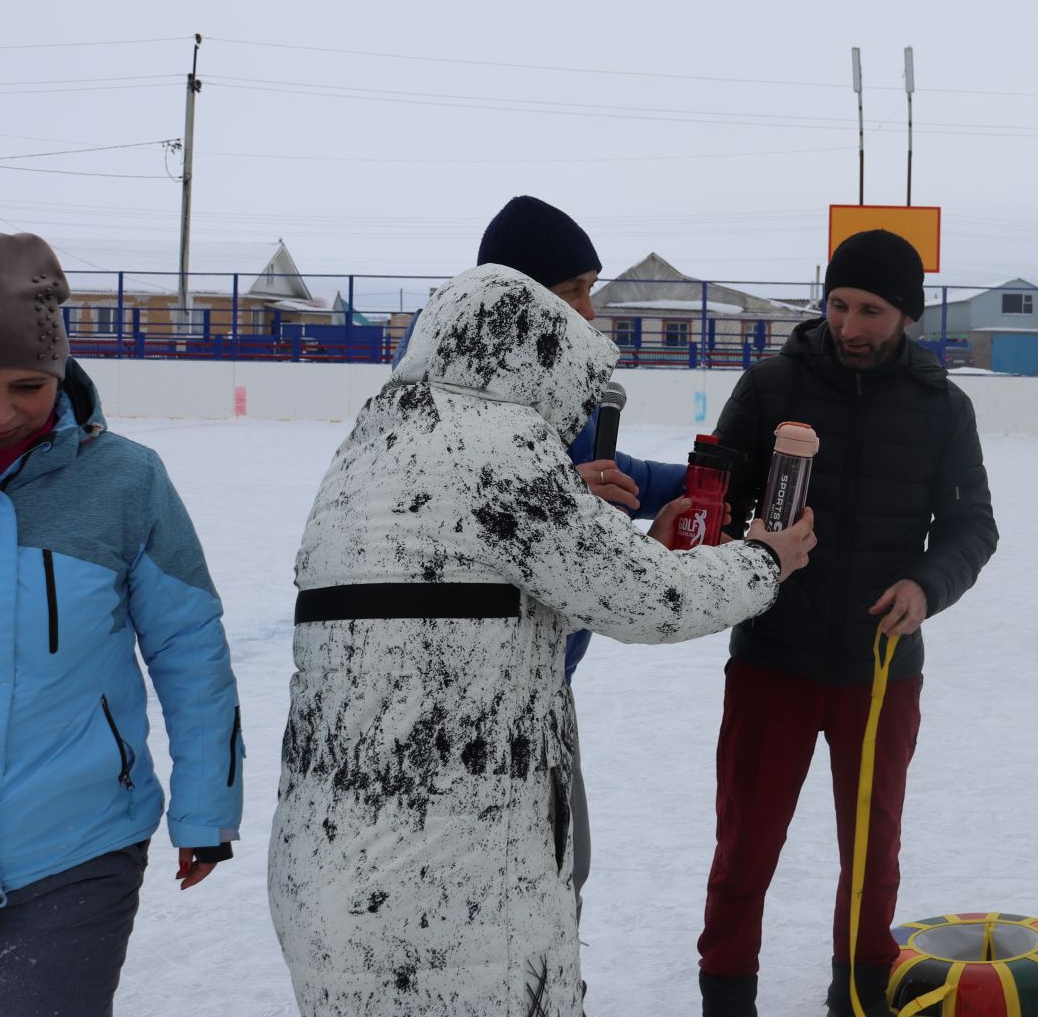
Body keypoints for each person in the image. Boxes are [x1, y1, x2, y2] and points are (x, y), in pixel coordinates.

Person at [268, 264, 815, 1017]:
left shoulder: (371, 448)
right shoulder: (496, 446)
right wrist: (764, 560)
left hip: (331, 867)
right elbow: (651, 602)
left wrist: (641, 546)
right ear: (537, 359)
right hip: (449, 888)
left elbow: (477, 615)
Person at [697, 229, 998, 1017]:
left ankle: (858, 992)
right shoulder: (770, 386)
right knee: (745, 849)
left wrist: (927, 585)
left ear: (907, 314)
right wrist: (731, 528)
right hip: (773, 659)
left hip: (880, 667)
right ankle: (727, 996)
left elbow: (973, 529)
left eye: (871, 309)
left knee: (873, 854)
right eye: (838, 305)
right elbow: (715, 503)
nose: (851, 325)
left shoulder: (943, 407)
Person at [0, 231, 243, 1013]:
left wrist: (207, 805)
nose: (0, 413)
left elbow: (189, 648)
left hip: (77, 844)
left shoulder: (125, 481)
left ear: (60, 370)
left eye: (26, 386)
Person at [416, 194, 695, 911]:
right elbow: (448, 513)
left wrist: (708, 476)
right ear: (521, 296)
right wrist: (555, 498)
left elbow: (616, 477)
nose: (591, 314)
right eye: (575, 291)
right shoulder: (446, 402)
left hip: (544, 692)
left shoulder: (541, 398)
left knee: (559, 878)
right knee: (493, 902)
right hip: (463, 713)